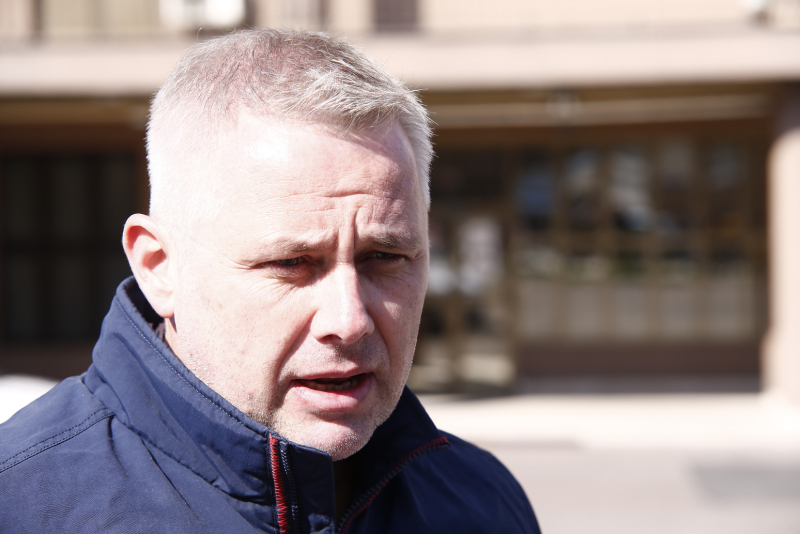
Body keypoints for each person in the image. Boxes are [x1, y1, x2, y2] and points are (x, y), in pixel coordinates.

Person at [0, 29, 540, 533]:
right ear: (158, 267)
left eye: (384, 257)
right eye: (292, 264)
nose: (349, 321)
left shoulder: (481, 501)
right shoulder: (23, 505)